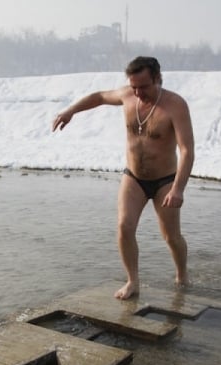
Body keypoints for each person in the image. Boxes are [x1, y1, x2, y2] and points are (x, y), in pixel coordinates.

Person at [52, 56, 195, 299]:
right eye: (134, 86)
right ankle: (133, 282)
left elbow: (187, 150)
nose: (138, 92)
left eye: (144, 86)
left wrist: (178, 189)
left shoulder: (175, 105)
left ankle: (182, 274)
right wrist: (70, 111)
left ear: (158, 79)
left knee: (171, 236)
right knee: (124, 227)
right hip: (134, 177)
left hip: (165, 181)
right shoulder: (128, 95)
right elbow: (98, 97)